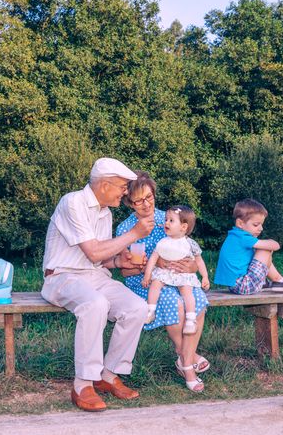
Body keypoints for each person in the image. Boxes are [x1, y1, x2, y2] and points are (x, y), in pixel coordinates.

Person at [41, 157, 155, 412]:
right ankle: (83, 383)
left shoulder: (105, 213)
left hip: (94, 277)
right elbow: (93, 252)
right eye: (122, 187)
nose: (125, 192)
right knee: (95, 304)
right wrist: (135, 233)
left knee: (137, 307)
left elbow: (101, 259)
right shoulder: (73, 202)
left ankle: (108, 373)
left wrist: (119, 261)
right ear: (104, 185)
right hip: (61, 276)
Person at [116, 172, 209, 393]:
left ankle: (184, 358)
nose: (146, 204)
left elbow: (193, 257)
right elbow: (124, 272)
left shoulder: (169, 219)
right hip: (146, 282)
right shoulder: (124, 229)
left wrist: (193, 268)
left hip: (180, 279)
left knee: (198, 299)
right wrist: (140, 267)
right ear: (130, 202)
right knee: (175, 303)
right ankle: (187, 363)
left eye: (149, 197)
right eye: (139, 200)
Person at [141, 205, 210, 337]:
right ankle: (150, 310)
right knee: (155, 284)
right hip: (165, 272)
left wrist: (205, 277)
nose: (166, 222)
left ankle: (190, 319)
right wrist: (148, 275)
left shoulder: (190, 243)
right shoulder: (162, 242)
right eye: (166, 219)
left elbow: (199, 261)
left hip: (183, 274)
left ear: (183, 227)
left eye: (171, 220)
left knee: (187, 291)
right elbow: (153, 259)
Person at [213, 198, 283, 294]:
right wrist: (271, 242)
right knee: (264, 249)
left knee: (263, 248)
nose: (261, 228)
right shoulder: (243, 237)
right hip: (244, 285)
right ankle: (279, 280)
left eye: (261, 224)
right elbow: (275, 246)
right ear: (240, 223)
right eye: (256, 225)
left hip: (235, 285)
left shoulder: (235, 236)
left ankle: (267, 282)